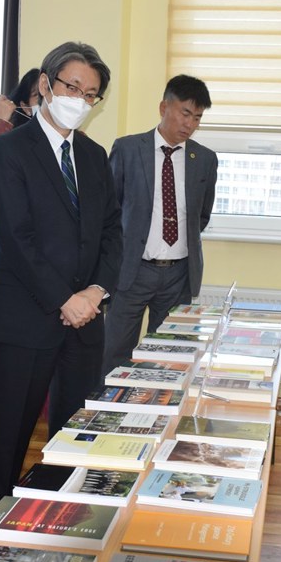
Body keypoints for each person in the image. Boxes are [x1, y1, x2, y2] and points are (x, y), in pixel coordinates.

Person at [0, 41, 122, 520]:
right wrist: (65, 298)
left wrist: (96, 292)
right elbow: (17, 239)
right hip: (26, 320)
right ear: (46, 83)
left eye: (91, 94)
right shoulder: (9, 150)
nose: (79, 99)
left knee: (74, 435)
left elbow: (109, 233)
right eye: (72, 86)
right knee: (8, 439)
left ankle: (61, 523)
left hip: (85, 322)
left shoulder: (96, 156)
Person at [102, 74, 217, 373]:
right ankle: (108, 414)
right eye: (185, 113)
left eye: (198, 118)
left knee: (167, 358)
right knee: (113, 352)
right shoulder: (128, 150)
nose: (190, 124)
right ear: (163, 107)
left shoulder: (204, 160)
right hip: (132, 271)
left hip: (179, 275)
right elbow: (110, 211)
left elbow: (201, 216)